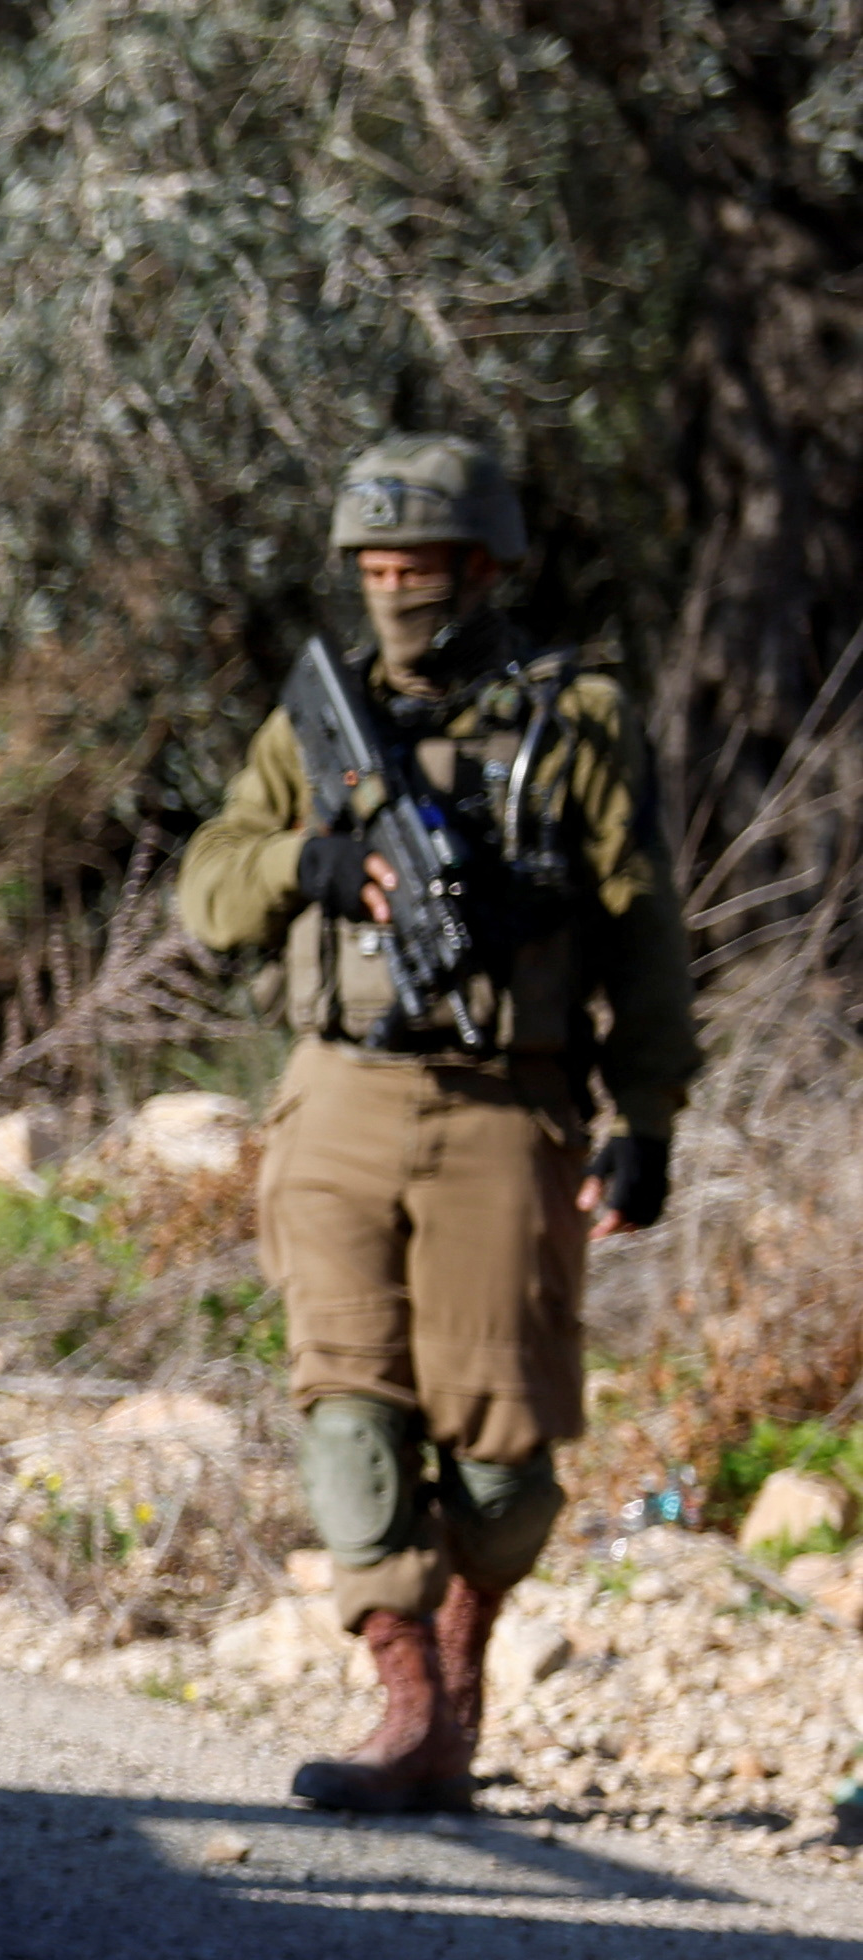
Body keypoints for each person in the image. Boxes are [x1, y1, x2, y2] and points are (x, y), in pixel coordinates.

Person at [175, 434, 691, 1816]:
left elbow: (645, 934)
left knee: (503, 1462)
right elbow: (209, 890)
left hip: (507, 1106)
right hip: (340, 1096)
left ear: (487, 566)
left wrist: (646, 1113)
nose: (398, 591)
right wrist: (318, 864)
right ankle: (407, 1701)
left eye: (423, 567)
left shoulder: (573, 723)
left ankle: (461, 1667)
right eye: (378, 567)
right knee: (346, 1402)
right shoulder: (318, 725)